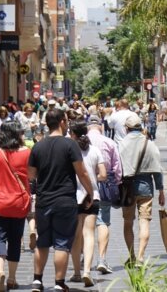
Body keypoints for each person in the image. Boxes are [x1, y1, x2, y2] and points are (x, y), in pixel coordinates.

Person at [29, 108, 95, 292]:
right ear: (62, 122)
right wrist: (90, 192)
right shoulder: (70, 145)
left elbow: (31, 175)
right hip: (65, 200)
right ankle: (59, 283)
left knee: (43, 241)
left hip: (44, 200)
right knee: (62, 243)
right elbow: (81, 172)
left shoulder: (38, 146)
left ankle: (37, 281)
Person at [0, 121, 32, 292]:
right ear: (17, 134)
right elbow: (32, 176)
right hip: (20, 203)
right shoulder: (27, 153)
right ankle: (11, 278)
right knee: (16, 239)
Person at [118, 114, 165, 265]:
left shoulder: (121, 144)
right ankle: (140, 257)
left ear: (126, 128)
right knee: (144, 222)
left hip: (127, 189)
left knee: (128, 222)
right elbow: (157, 170)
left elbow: (116, 168)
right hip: (146, 188)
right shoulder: (149, 144)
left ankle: (131, 255)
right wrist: (161, 191)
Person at [68, 120, 106, 287]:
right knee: (89, 234)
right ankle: (87, 271)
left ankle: (76, 272)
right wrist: (92, 180)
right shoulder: (95, 151)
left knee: (75, 236)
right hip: (93, 195)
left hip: (73, 197)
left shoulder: (69, 151)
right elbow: (103, 175)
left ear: (73, 134)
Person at [86, 115, 122, 275]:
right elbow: (117, 167)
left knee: (83, 222)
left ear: (88, 127)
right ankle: (101, 259)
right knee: (103, 221)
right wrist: (117, 184)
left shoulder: (79, 141)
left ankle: (83, 258)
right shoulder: (109, 142)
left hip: (83, 184)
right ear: (100, 127)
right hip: (104, 184)